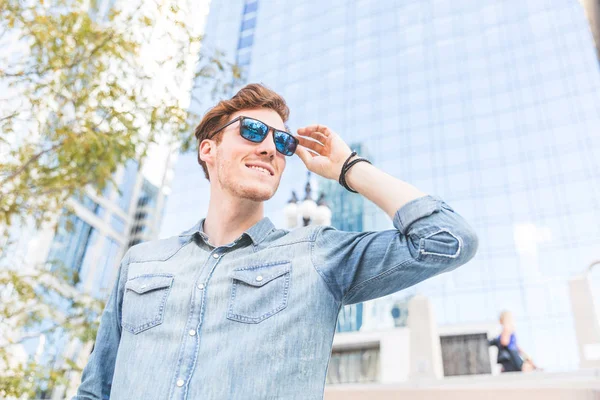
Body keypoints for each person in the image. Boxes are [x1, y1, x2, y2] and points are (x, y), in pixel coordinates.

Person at [74, 83, 478, 399]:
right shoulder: (141, 262)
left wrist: (349, 168)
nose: (269, 148)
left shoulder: (317, 253)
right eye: (252, 131)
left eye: (282, 142)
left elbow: (448, 239)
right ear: (208, 150)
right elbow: (95, 390)